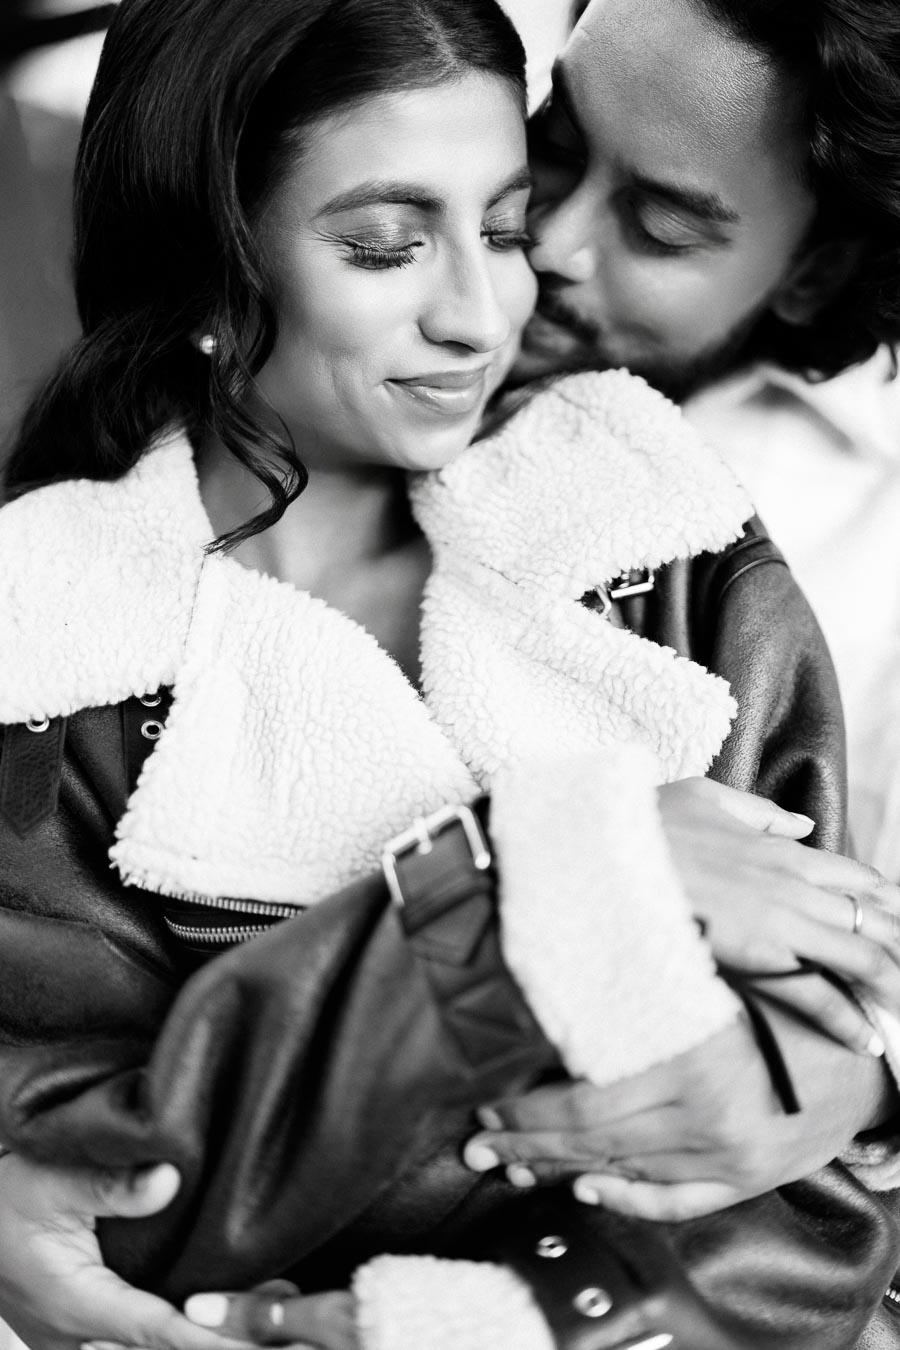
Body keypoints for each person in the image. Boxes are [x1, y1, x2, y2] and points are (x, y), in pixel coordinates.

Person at [2, 0, 900, 1346]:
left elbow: (812, 1200)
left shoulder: (672, 536)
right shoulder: (59, 634)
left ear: (809, 269)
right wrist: (526, 881)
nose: (510, 291)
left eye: (500, 221)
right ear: (209, 261)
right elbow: (105, 1197)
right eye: (386, 242)